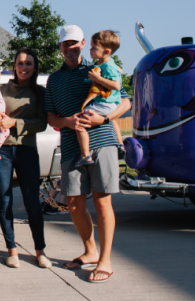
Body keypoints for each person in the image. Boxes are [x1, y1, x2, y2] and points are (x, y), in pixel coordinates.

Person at [45, 25, 131, 284]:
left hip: (102, 141)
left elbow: (125, 101)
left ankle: (105, 259)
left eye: (74, 43)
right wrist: (67, 122)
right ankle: (90, 250)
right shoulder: (53, 79)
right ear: (60, 47)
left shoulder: (98, 68)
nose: (69, 48)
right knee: (73, 204)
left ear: (83, 44)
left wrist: (104, 118)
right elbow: (49, 116)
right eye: (64, 44)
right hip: (72, 146)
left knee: (103, 201)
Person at [0, 47, 51, 269]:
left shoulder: (40, 93)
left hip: (26, 150)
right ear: (14, 65)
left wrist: (15, 123)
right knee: (4, 200)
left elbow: (42, 123)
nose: (24, 67)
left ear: (34, 68)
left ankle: (40, 251)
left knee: (32, 202)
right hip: (1, 151)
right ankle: (12, 250)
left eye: (29, 64)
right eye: (20, 63)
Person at [73, 30, 123, 167]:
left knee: (79, 122)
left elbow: (116, 85)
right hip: (106, 103)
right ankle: (120, 144)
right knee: (112, 121)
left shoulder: (108, 66)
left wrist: (97, 78)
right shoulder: (105, 64)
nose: (90, 50)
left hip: (106, 102)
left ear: (106, 51)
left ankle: (85, 155)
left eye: (94, 48)